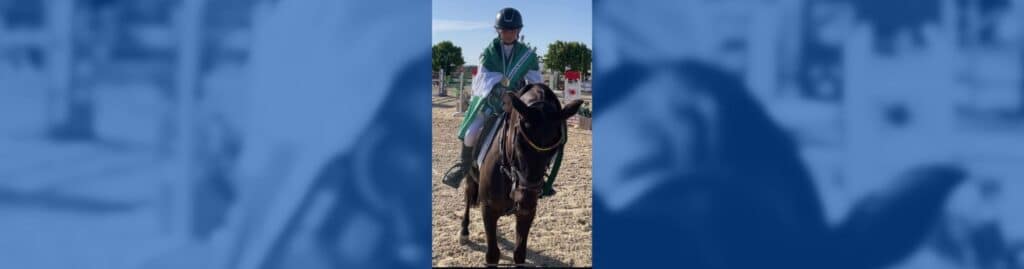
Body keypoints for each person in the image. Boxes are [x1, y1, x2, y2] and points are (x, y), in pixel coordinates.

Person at [441, 7, 560, 197]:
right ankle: (463, 167)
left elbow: (535, 82)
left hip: (517, 105)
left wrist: (525, 100)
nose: (509, 34)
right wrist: (502, 94)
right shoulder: (488, 53)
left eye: (512, 30)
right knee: (471, 134)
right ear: (498, 31)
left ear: (518, 31)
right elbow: (482, 81)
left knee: (539, 135)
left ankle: (538, 176)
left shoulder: (528, 56)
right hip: (491, 104)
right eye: (505, 30)